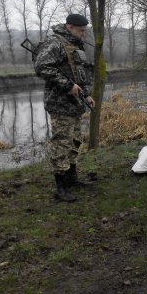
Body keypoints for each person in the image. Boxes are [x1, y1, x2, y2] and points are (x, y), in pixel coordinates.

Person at [34, 14, 96, 202]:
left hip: (75, 103)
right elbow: (42, 67)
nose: (83, 34)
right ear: (69, 27)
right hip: (60, 103)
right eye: (80, 30)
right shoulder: (55, 43)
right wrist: (67, 86)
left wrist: (86, 94)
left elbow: (79, 74)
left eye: (84, 31)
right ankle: (60, 188)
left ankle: (72, 178)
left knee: (75, 140)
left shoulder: (76, 45)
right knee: (61, 143)